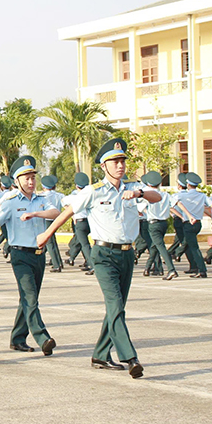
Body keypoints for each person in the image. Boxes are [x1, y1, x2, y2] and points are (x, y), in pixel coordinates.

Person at [37, 138, 162, 379]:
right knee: (115, 306)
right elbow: (68, 212)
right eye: (114, 161)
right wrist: (46, 233)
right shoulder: (93, 191)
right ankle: (130, 357)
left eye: (122, 160)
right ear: (103, 166)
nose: (120, 165)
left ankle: (100, 354)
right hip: (104, 255)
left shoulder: (133, 188)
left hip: (127, 254)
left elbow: (157, 197)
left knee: (117, 308)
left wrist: (139, 193)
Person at [0, 155, 60, 355]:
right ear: (17, 181)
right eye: (26, 178)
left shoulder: (43, 200)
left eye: (33, 177)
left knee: (26, 299)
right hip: (20, 256)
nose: (31, 181)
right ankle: (42, 337)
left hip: (38, 255)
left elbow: (56, 214)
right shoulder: (9, 203)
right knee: (31, 297)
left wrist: (35, 214)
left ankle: (17, 338)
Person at [175, 172, 212, 279]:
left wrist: (185, 216)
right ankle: (178, 254)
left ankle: (201, 270)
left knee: (194, 248)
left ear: (188, 184)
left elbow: (173, 204)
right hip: (198, 224)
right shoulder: (202, 195)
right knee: (191, 245)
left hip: (188, 223)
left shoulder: (181, 195)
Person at [139, 172, 178, 281]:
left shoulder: (147, 195)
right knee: (155, 246)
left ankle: (171, 269)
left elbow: (140, 209)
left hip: (153, 223)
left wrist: (148, 213)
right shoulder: (165, 195)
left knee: (160, 246)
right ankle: (147, 268)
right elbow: (175, 204)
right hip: (163, 223)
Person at [65, 172, 92, 272]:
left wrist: (72, 215)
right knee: (80, 242)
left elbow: (63, 202)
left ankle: (92, 264)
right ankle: (72, 258)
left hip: (80, 222)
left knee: (84, 244)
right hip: (89, 222)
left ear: (76, 185)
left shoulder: (74, 196)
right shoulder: (91, 194)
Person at [40, 175, 65, 272]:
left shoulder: (42, 196)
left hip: (47, 220)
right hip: (56, 219)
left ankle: (56, 264)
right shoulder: (59, 195)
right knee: (53, 241)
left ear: (43, 186)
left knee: (50, 243)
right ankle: (59, 262)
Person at [167, 173, 189, 262]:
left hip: (178, 219)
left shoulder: (176, 196)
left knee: (181, 239)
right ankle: (174, 253)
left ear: (179, 185)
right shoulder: (190, 195)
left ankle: (172, 253)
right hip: (188, 219)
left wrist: (173, 215)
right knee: (182, 239)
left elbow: (170, 207)